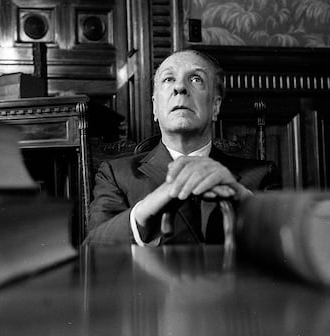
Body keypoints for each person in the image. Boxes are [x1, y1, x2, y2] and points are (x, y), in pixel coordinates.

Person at [85, 49, 280, 246]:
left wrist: (242, 198)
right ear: (155, 108)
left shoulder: (262, 174)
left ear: (215, 106)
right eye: (168, 79)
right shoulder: (115, 175)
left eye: (196, 79)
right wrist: (145, 211)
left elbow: (288, 251)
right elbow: (92, 252)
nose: (180, 87)